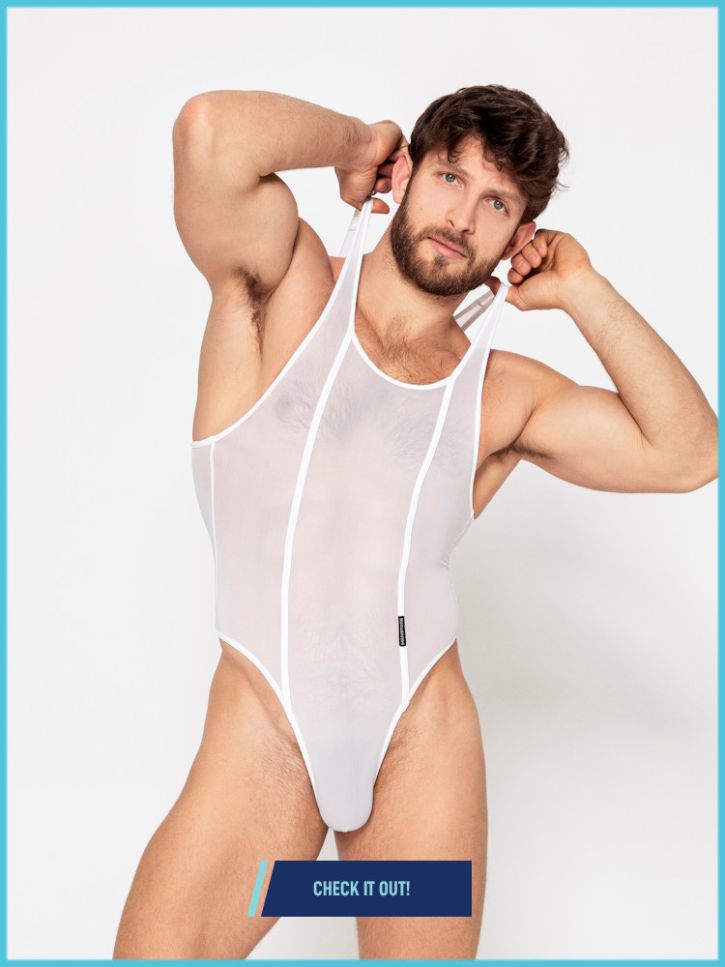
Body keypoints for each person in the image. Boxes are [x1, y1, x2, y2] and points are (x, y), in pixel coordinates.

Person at [113, 85, 718, 960]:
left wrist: (584, 290)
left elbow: (689, 453)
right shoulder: (286, 285)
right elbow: (208, 134)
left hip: (418, 738)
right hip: (263, 732)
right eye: (450, 177)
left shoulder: (501, 394)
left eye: (496, 204)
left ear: (519, 236)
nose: (462, 217)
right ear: (405, 174)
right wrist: (353, 145)